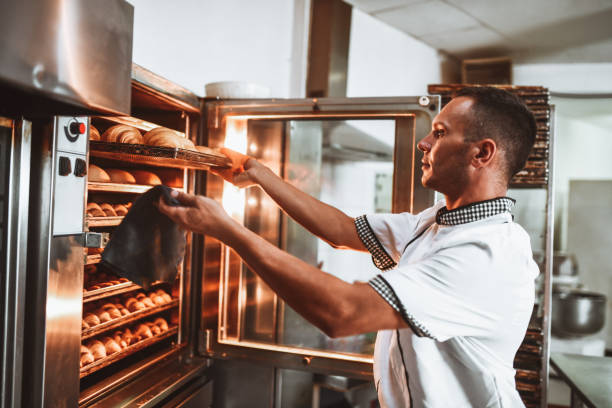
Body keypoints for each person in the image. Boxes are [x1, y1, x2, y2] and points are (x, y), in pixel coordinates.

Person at [158, 86, 539, 407]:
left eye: (440, 133)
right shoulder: (436, 222)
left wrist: (227, 229)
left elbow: (343, 312)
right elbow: (342, 230)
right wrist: (259, 175)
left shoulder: (488, 255)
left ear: (482, 153)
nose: (424, 143)